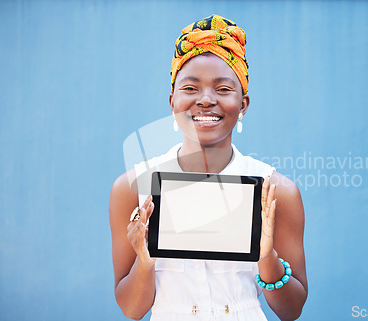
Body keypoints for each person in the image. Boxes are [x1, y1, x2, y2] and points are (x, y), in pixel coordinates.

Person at [109, 14, 307, 321]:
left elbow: (291, 310)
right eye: (190, 88)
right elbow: (132, 309)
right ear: (172, 101)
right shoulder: (133, 187)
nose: (205, 100)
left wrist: (266, 257)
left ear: (243, 105)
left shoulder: (275, 190)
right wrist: (145, 260)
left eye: (224, 89)